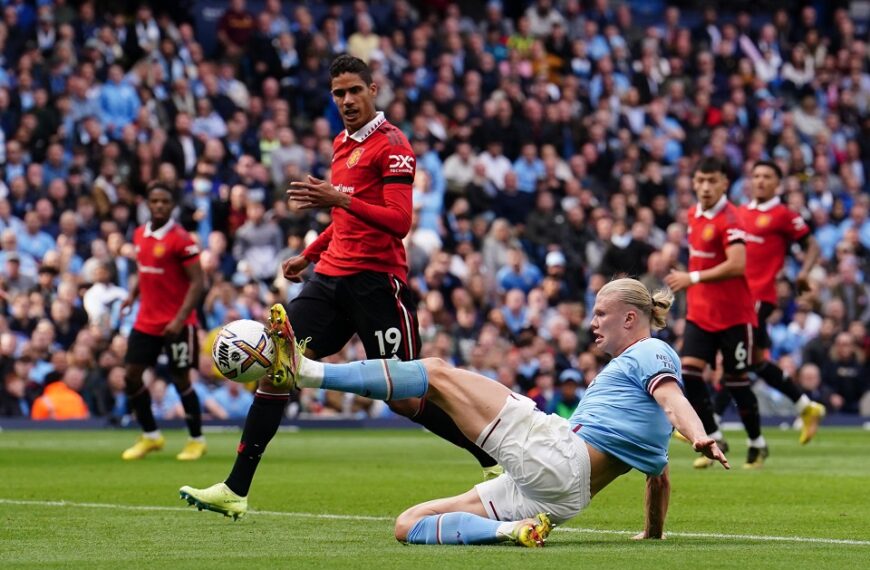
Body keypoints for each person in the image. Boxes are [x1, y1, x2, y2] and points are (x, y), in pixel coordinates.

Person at [181, 278, 729, 547]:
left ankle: (303, 371)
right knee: (407, 526)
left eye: (602, 315)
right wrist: (651, 536)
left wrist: (701, 434)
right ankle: (513, 532)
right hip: (561, 499)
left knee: (437, 371)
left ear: (632, 319)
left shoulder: (650, 352)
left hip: (559, 455)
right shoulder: (641, 388)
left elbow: (673, 400)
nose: (593, 324)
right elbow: (658, 476)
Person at [194, 55, 499, 506]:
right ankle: (234, 489)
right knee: (277, 369)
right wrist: (308, 255)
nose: (347, 100)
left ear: (374, 90)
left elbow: (398, 221)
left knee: (406, 397)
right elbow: (344, 217)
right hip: (330, 279)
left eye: (355, 90)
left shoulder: (394, 145)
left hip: (377, 284)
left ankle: (491, 456)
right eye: (339, 93)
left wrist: (337, 197)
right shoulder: (341, 143)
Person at [664, 157, 766, 469]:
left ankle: (757, 443)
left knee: (736, 380)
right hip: (700, 313)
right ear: (693, 183)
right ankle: (714, 434)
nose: (705, 187)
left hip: (734, 315)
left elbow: (737, 264)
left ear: (724, 183)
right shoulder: (693, 214)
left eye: (712, 181)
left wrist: (691, 278)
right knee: (690, 375)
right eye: (700, 181)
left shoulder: (732, 218)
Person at [733, 160, 826, 443]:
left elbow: (813, 245)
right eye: (756, 175)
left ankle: (707, 424)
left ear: (778, 183)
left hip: (761, 296)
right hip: (736, 297)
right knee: (755, 362)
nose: (760, 181)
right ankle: (806, 406)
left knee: (735, 359)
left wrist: (805, 273)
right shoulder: (739, 213)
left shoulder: (784, 214)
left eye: (767, 176)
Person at [119, 182, 206, 460]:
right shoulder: (138, 234)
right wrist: (132, 295)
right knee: (131, 376)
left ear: (172, 206)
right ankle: (151, 436)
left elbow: (198, 282)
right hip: (146, 321)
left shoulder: (182, 239)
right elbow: (144, 271)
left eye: (164, 202)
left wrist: (180, 319)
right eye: (154, 201)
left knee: (181, 379)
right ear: (147, 203)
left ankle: (196, 439)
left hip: (177, 323)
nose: (158, 206)